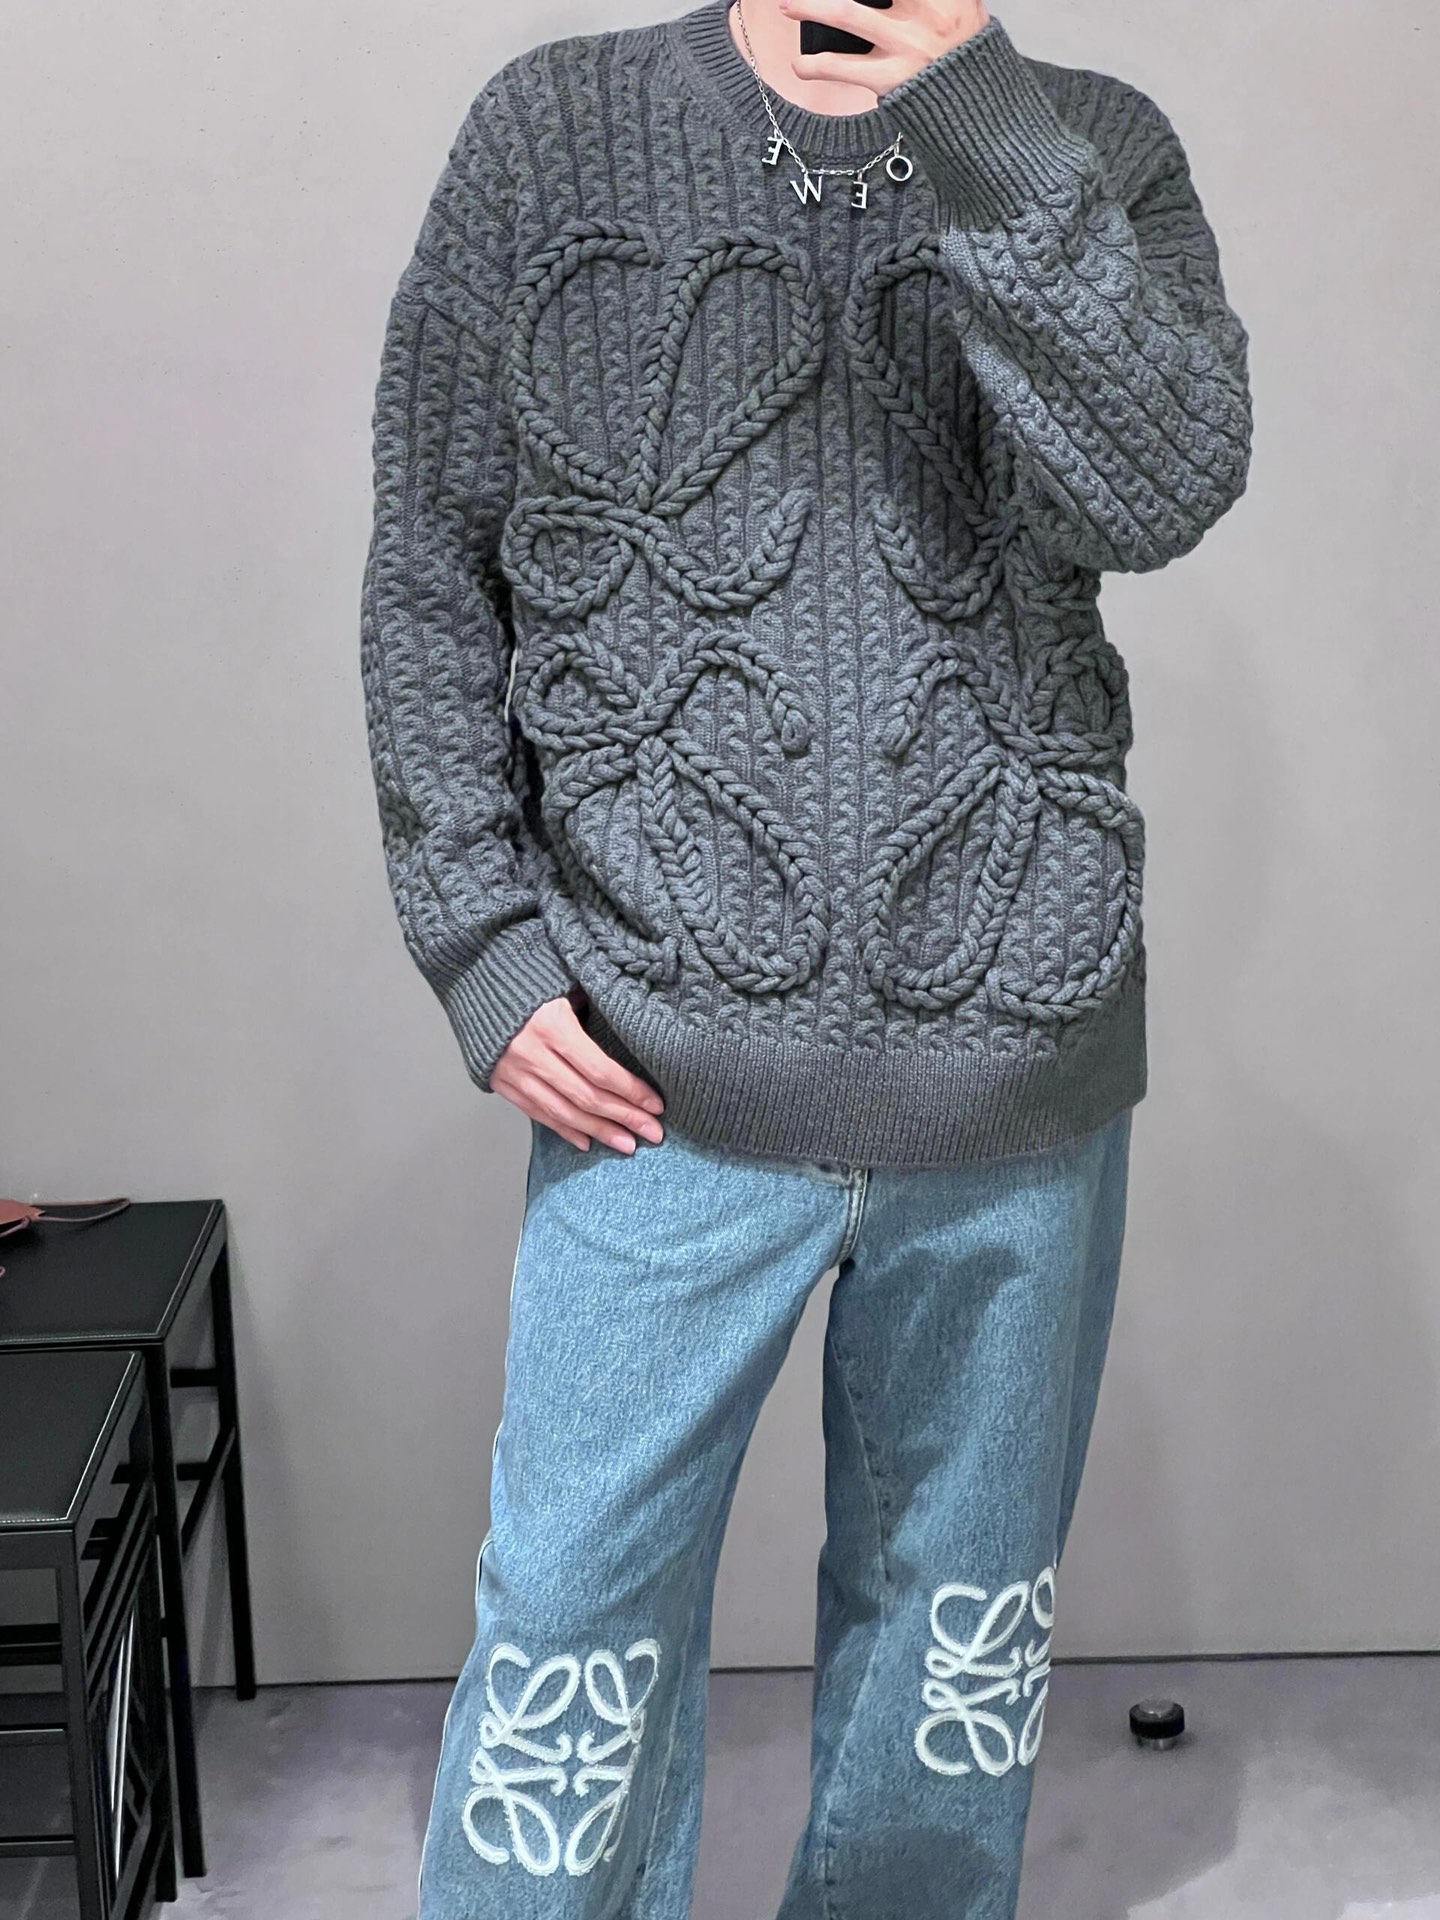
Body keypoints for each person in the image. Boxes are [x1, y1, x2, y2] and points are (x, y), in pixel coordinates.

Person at [358, 0, 1251, 1910]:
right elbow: (432, 557)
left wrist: (982, 134)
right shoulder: (552, 129)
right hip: (653, 1068)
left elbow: (1161, 490)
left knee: (952, 1664)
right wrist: (480, 940)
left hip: (1012, 1065)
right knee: (568, 1634)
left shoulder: (1090, 142)